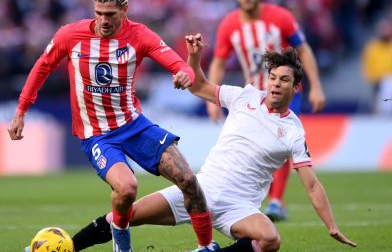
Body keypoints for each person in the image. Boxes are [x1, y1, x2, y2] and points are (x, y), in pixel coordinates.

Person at [69, 36, 357, 252]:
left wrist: (331, 226)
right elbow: (199, 86)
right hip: (200, 190)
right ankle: (66, 246)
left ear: (296, 88)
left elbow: (311, 184)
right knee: (125, 215)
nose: (275, 84)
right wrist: (194, 58)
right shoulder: (245, 96)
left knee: (270, 239)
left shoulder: (294, 131)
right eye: (272, 77)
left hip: (240, 207)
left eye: (284, 80)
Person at [7, 0, 214, 251]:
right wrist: (21, 111)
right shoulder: (70, 36)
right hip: (97, 134)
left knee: (188, 179)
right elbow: (41, 67)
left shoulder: (140, 35)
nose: (103, 20)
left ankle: (206, 247)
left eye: (111, 14)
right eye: (99, 13)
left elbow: (177, 64)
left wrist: (184, 72)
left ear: (125, 10)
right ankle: (121, 239)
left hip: (134, 125)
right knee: (127, 188)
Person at [205, 0, 326, 221]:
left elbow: (303, 50)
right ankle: (259, 197)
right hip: (253, 95)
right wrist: (212, 101)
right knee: (252, 149)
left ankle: (277, 201)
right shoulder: (229, 24)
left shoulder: (281, 17)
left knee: (280, 139)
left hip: (285, 93)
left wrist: (317, 87)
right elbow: (219, 61)